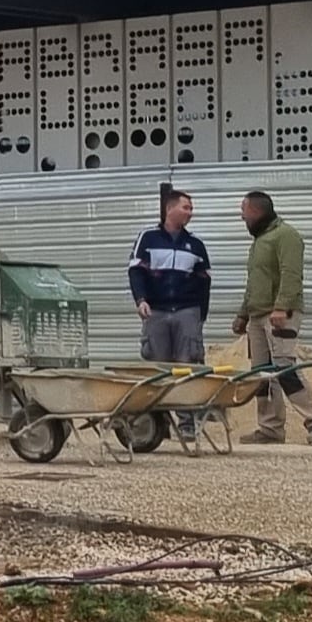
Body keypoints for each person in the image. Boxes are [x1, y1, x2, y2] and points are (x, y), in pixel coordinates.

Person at [234, 189, 312, 445]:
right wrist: (243, 314)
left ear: (256, 211)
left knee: (285, 368)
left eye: (243, 211)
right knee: (261, 375)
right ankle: (270, 428)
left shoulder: (286, 236)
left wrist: (281, 307)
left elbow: (291, 274)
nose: (242, 217)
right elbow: (254, 283)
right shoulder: (259, 242)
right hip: (257, 316)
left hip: (279, 315)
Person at [130, 187, 211, 438]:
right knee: (159, 369)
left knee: (187, 368)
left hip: (187, 312)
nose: (190, 212)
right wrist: (141, 300)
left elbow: (203, 282)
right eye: (186, 207)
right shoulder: (148, 238)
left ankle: (187, 425)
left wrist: (199, 316)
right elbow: (136, 272)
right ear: (169, 209)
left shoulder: (196, 245)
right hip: (156, 311)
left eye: (191, 208)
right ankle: (157, 424)